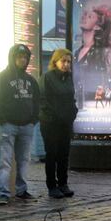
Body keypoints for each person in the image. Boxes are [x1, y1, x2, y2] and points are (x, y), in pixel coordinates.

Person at [0, 44, 40, 205]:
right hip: (7, 125)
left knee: (24, 160)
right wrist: (1, 119)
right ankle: (3, 193)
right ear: (13, 58)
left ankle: (22, 191)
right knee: (5, 161)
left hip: (27, 126)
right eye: (19, 57)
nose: (23, 60)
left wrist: (33, 120)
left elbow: (37, 101)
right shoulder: (1, 78)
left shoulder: (31, 80)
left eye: (25, 57)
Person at [39, 48, 78, 199]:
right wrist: (52, 117)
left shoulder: (68, 78)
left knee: (64, 154)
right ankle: (52, 186)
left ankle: (63, 183)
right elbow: (43, 100)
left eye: (69, 62)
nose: (66, 64)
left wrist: (73, 112)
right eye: (64, 61)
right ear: (55, 62)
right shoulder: (47, 77)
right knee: (52, 154)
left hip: (65, 123)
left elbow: (71, 98)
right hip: (50, 123)